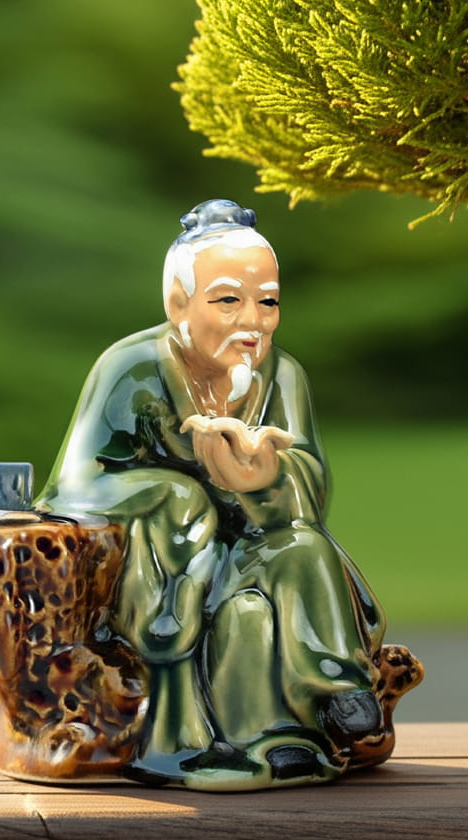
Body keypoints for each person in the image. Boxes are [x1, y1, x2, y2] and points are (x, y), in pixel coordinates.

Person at [36, 200, 388, 790]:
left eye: (268, 301)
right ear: (179, 304)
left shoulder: (284, 376)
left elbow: (310, 488)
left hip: (256, 546)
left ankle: (334, 695)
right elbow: (77, 486)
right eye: (228, 300)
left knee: (304, 547)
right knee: (244, 617)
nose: (252, 319)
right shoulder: (132, 368)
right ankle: (249, 740)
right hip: (171, 565)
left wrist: (263, 476)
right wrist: (183, 492)